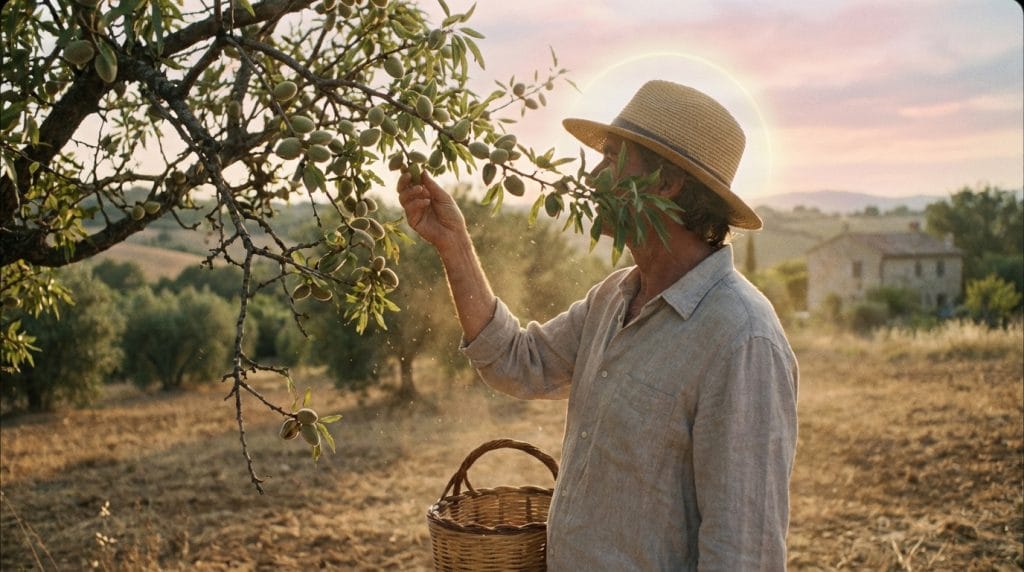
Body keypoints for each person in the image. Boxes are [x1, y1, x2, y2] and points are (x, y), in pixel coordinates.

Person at [397, 80, 798, 570]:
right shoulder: (613, 297)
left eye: (612, 159)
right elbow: (516, 363)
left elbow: (743, 554)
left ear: (667, 184)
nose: (592, 177)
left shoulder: (741, 339)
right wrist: (453, 243)